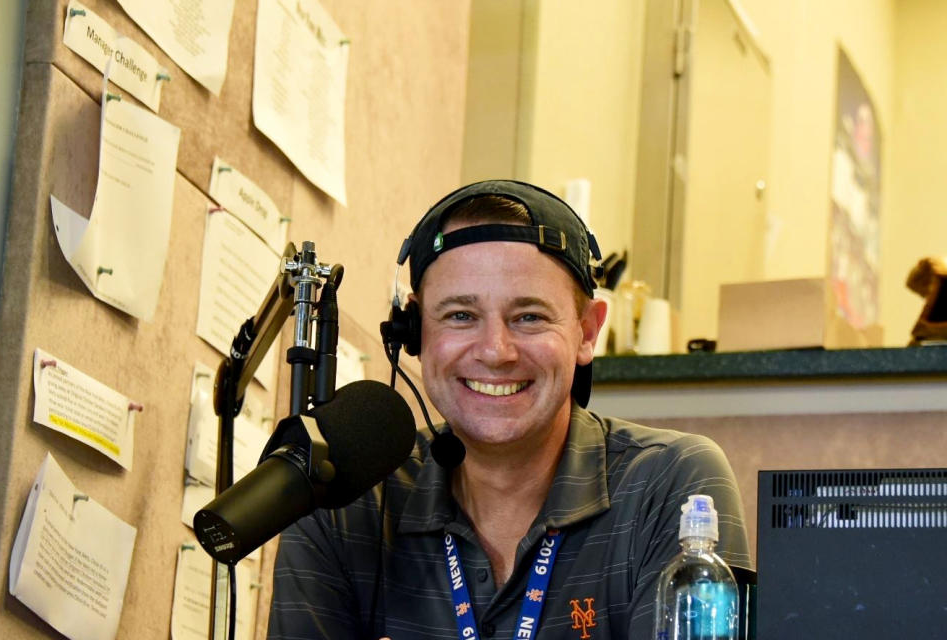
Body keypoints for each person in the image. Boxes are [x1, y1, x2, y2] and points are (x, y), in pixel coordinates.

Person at [267, 180, 750, 640]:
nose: (496, 351)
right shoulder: (343, 498)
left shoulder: (672, 485)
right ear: (412, 331)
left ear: (586, 331)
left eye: (529, 317)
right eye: (461, 315)